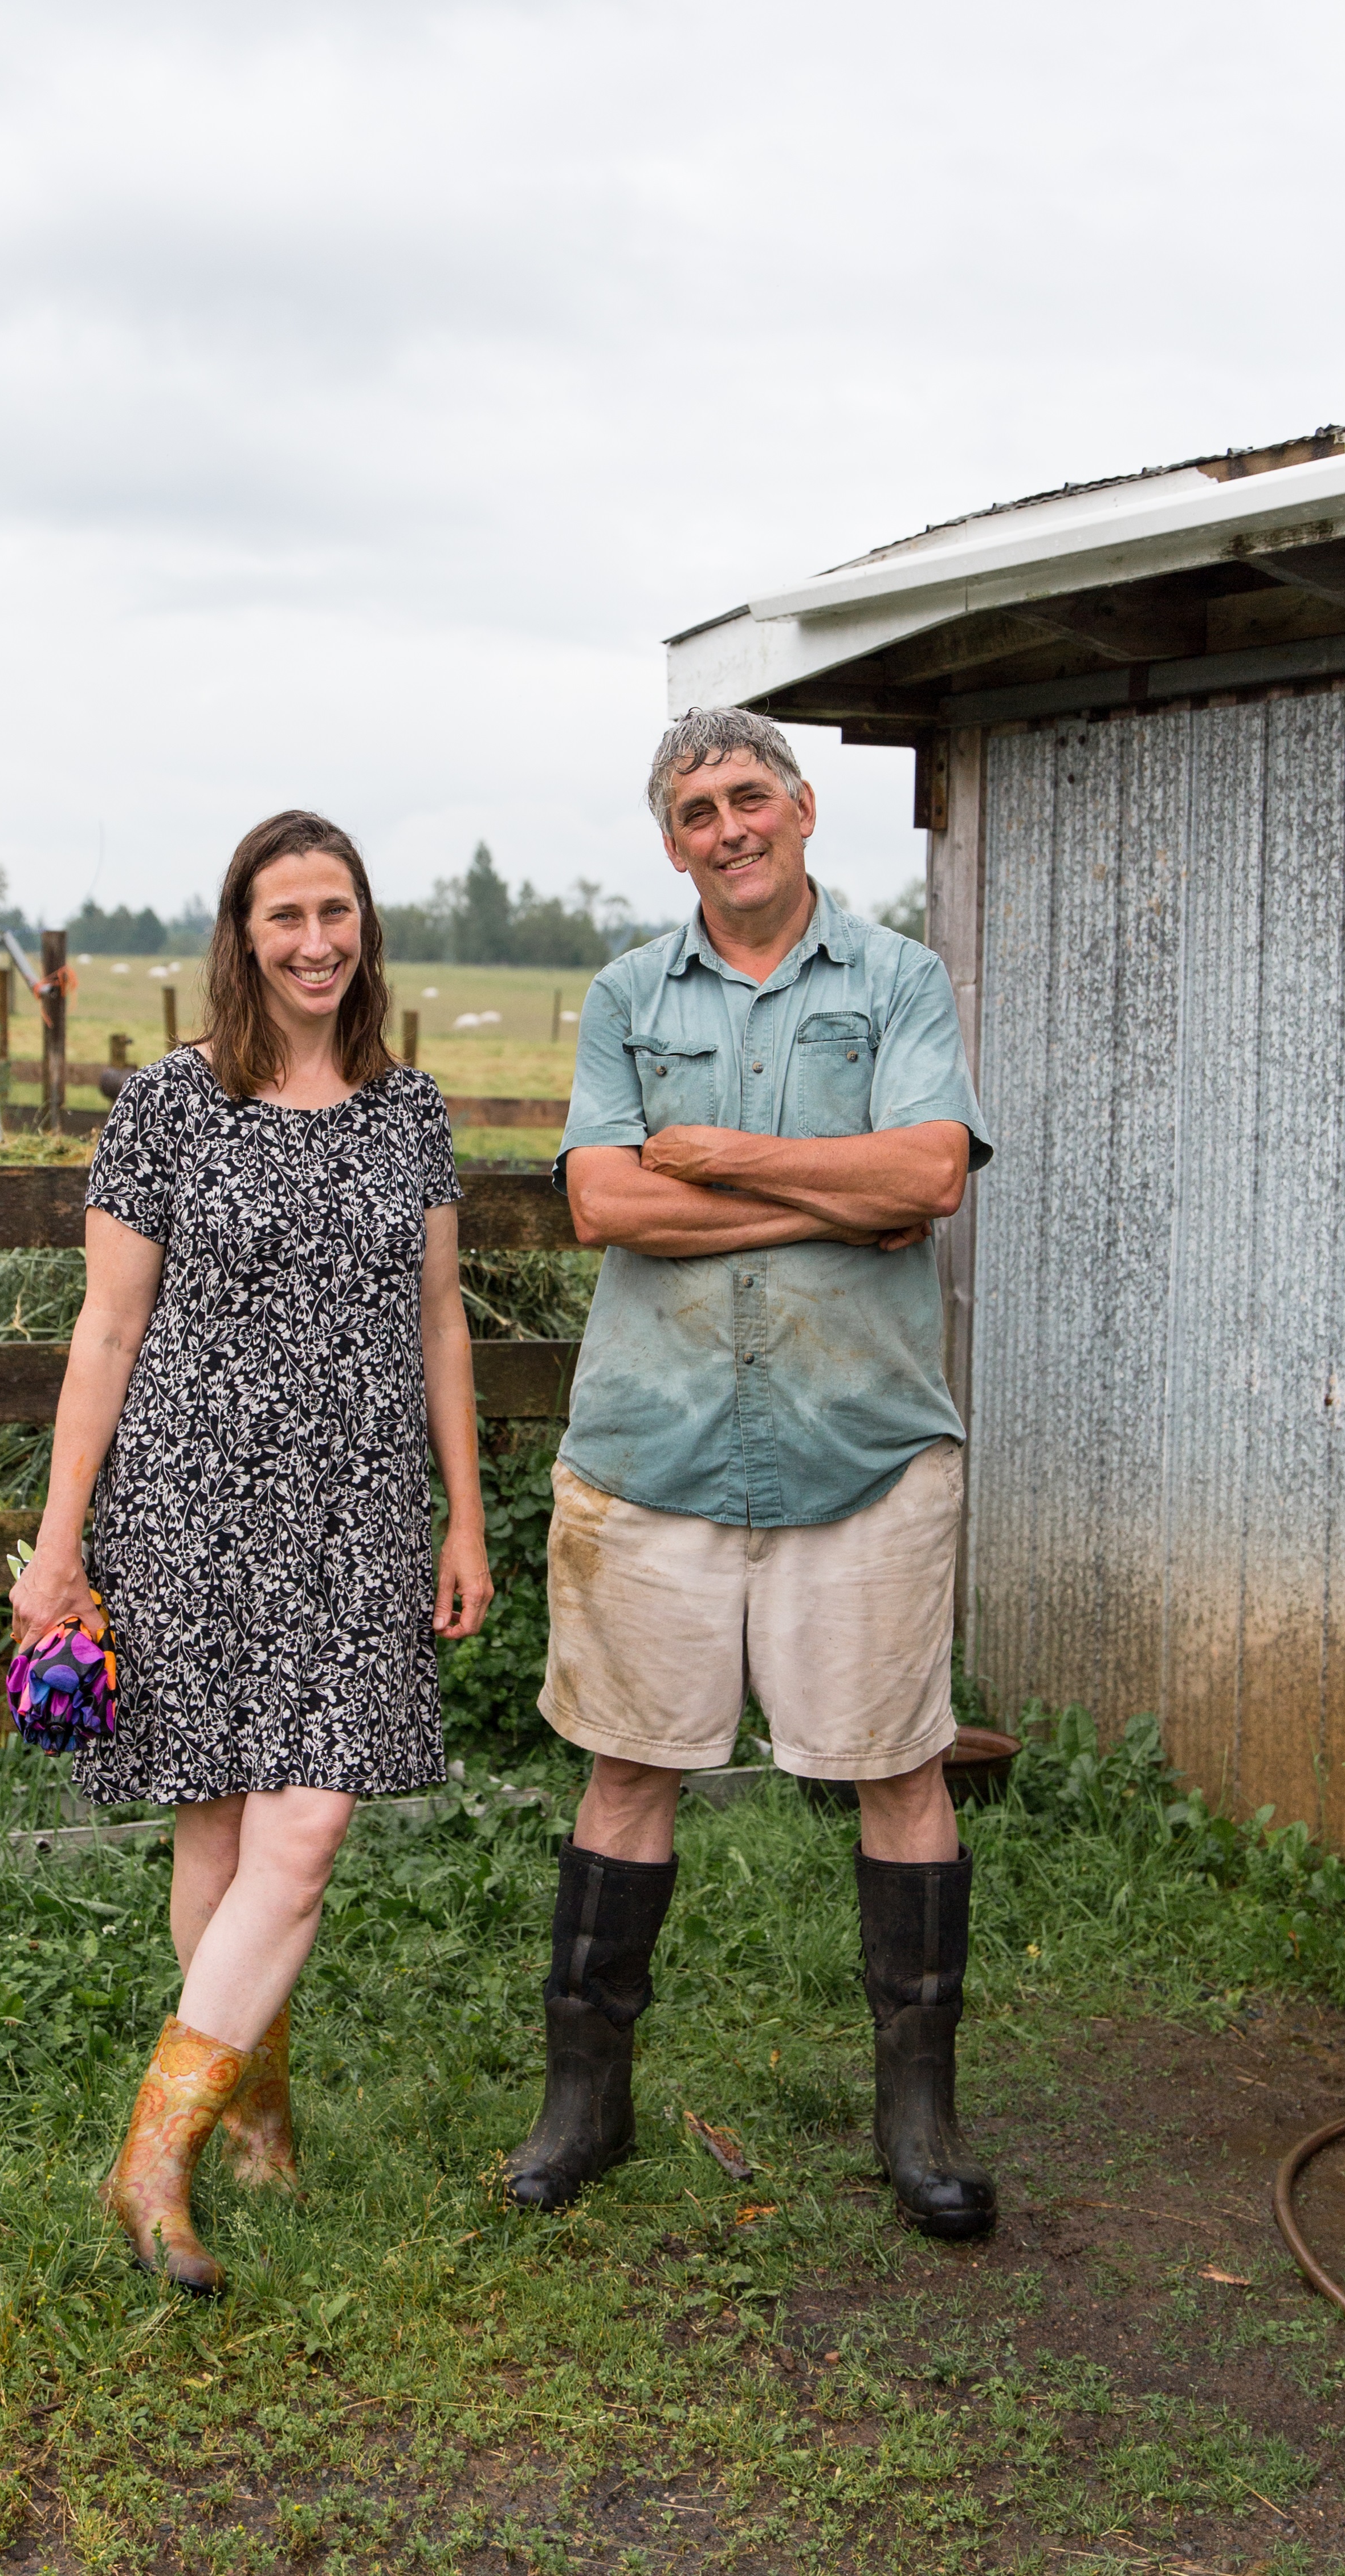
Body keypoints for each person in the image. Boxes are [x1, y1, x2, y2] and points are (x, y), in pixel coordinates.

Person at [502, 707, 997, 2239]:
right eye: (697, 812)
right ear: (673, 844)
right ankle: (586, 2103)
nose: (728, 828)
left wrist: (714, 1159)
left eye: (748, 797)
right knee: (629, 1761)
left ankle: (919, 2118)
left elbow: (929, 1173)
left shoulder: (898, 980)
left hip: (863, 1447)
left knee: (899, 1765)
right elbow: (600, 1201)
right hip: (656, 1449)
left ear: (801, 808)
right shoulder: (626, 995)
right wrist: (828, 1200)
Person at [9, 811, 492, 2293]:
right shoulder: (166, 1105)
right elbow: (109, 1327)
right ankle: (256, 2106)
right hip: (188, 1507)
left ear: (366, 925)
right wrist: (56, 1546)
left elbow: (438, 1322)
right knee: (218, 1829)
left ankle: (152, 2150)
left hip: (358, 1516)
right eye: (284, 915)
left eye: (335, 911)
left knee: (307, 1828)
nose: (314, 942)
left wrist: (465, 1512)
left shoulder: (408, 1111)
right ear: (242, 932)